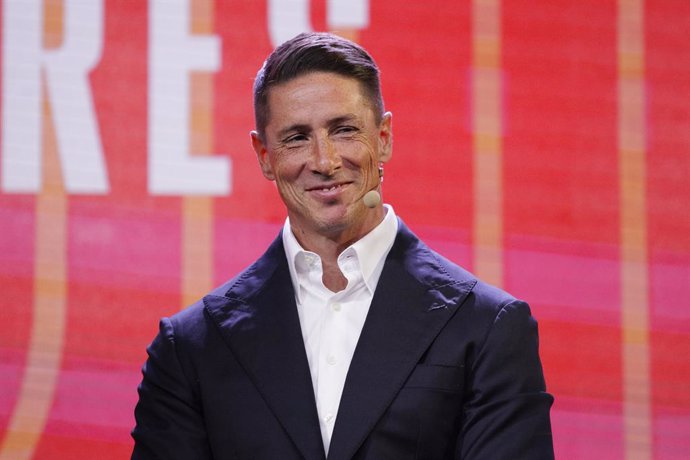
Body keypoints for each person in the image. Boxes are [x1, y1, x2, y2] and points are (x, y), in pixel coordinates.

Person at [131, 32, 554, 459]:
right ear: (264, 155)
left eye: (345, 130)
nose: (324, 160)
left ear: (384, 137)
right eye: (296, 137)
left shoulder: (487, 327)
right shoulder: (190, 348)